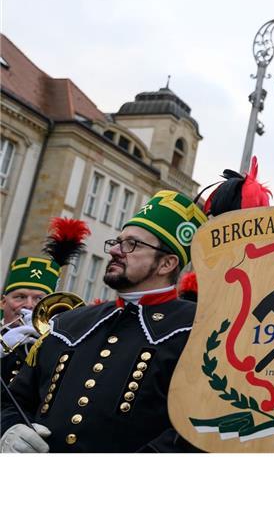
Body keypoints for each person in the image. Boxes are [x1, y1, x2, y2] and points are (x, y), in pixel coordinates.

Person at [1, 190, 206, 453]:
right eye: (118, 241)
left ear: (166, 263)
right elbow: (10, 401)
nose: (115, 251)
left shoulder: (198, 329)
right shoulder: (68, 323)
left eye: (133, 244)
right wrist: (9, 430)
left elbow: (199, 425)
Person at [2, 218, 89, 385]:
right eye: (20, 297)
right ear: (3, 302)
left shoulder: (58, 346)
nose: (28, 305)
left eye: (39, 299)